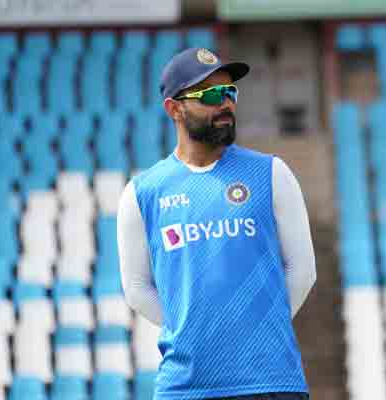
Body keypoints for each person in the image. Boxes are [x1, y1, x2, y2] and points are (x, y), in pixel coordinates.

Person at [116, 47, 316, 400]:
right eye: (210, 95)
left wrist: (258, 329)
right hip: (185, 386)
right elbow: (137, 288)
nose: (225, 104)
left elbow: (303, 271)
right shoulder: (142, 193)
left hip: (271, 381)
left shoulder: (271, 173)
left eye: (230, 93)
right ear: (174, 109)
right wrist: (196, 331)